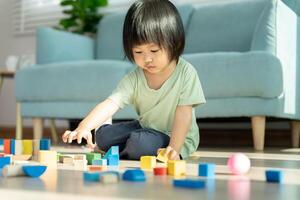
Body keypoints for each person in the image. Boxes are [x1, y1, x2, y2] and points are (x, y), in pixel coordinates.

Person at [62, 0, 206, 160]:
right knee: (103, 136)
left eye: (154, 50)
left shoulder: (186, 73)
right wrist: (83, 127)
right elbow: (111, 103)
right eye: (138, 52)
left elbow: (184, 116)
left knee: (139, 143)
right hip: (145, 129)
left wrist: (174, 149)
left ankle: (123, 149)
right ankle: (124, 147)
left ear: (175, 42)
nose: (147, 59)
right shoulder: (135, 77)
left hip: (177, 137)